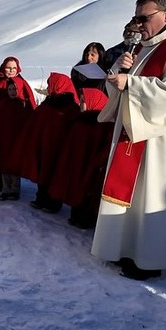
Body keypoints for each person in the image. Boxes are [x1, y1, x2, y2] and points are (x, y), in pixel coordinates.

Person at [91, 0, 166, 280]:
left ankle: (149, 259)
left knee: (151, 197)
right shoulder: (147, 46)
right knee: (133, 197)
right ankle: (125, 249)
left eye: (145, 17)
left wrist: (130, 84)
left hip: (162, 140)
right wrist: (119, 73)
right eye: (136, 18)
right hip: (135, 132)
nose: (139, 24)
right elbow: (124, 84)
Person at [48, 88, 113, 229]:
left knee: (87, 191)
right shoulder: (79, 120)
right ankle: (76, 215)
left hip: (91, 165)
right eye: (81, 101)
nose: (81, 104)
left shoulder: (103, 125)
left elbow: (105, 146)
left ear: (92, 102)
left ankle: (86, 219)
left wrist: (97, 162)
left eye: (83, 101)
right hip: (76, 162)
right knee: (76, 187)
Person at [20, 72, 81, 212]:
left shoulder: (71, 108)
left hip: (60, 148)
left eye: (50, 84)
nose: (48, 87)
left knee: (56, 174)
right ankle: (41, 197)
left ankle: (54, 202)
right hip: (44, 145)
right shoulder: (48, 104)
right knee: (43, 171)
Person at [0, 56, 37, 192]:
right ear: (3, 68)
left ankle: (13, 186)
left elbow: (29, 105)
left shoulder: (22, 84)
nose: (11, 70)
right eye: (8, 67)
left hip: (15, 129)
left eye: (14, 68)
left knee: (12, 156)